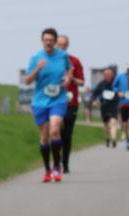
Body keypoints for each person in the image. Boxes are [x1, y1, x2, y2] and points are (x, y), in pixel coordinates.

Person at [24, 28, 70, 182]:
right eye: (46, 40)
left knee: (55, 129)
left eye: (51, 40)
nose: (48, 42)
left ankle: (57, 167)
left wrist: (68, 79)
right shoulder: (36, 57)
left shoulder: (63, 56)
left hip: (58, 99)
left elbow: (69, 70)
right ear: (42, 41)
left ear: (55, 41)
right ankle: (47, 170)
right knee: (44, 138)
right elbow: (27, 80)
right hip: (40, 101)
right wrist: (38, 67)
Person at [56, 34, 84, 174]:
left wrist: (72, 78)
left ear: (67, 46)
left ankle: (65, 163)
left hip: (71, 102)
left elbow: (82, 82)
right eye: (59, 44)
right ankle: (56, 161)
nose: (61, 47)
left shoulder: (75, 61)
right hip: (55, 101)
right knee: (56, 132)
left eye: (64, 45)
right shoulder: (51, 61)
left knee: (66, 135)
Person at [91, 67, 120, 147]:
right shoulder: (101, 84)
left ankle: (113, 139)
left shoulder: (116, 83)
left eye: (109, 74)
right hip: (104, 106)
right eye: (105, 74)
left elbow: (120, 92)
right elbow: (95, 93)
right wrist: (94, 100)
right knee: (106, 124)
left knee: (113, 122)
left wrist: (120, 96)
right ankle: (107, 138)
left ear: (112, 75)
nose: (107, 75)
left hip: (113, 105)